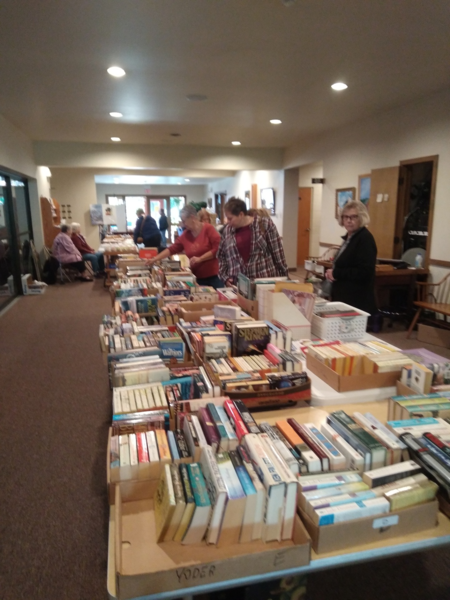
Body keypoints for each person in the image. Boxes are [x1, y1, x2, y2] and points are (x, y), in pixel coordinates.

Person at [146, 204, 223, 289]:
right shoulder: (185, 235)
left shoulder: (208, 229)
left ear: (192, 217)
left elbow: (218, 249)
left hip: (215, 278)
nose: (182, 224)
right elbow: (172, 249)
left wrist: (200, 259)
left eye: (184, 221)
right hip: (197, 278)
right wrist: (155, 259)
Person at [217, 197, 288, 286]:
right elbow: (221, 257)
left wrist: (285, 278)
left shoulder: (264, 224)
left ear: (241, 214)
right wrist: (225, 277)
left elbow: (278, 254)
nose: (228, 222)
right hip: (238, 284)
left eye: (230, 218)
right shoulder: (227, 231)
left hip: (264, 282)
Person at [325, 200, 377, 315]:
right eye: (346, 217)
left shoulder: (365, 239)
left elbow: (365, 272)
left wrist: (336, 273)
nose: (349, 220)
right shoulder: (349, 238)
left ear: (361, 218)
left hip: (356, 299)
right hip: (343, 296)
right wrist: (332, 272)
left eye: (353, 217)